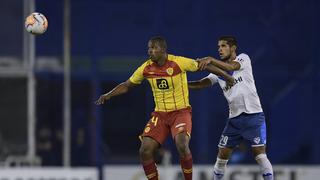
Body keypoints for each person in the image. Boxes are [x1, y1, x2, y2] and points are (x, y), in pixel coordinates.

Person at [95, 36, 234, 180]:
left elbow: (205, 65)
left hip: (181, 112)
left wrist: (227, 77)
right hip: (160, 115)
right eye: (149, 48)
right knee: (145, 150)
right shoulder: (146, 68)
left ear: (163, 50)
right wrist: (108, 94)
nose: (150, 51)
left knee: (181, 145)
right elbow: (127, 85)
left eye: (154, 48)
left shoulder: (178, 62)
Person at [188, 36, 274, 180]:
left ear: (233, 48)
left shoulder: (243, 58)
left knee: (259, 155)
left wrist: (209, 59)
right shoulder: (217, 71)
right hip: (234, 120)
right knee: (221, 157)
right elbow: (202, 83)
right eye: (218, 47)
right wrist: (182, 84)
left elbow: (230, 67)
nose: (219, 50)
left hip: (254, 116)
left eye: (223, 46)